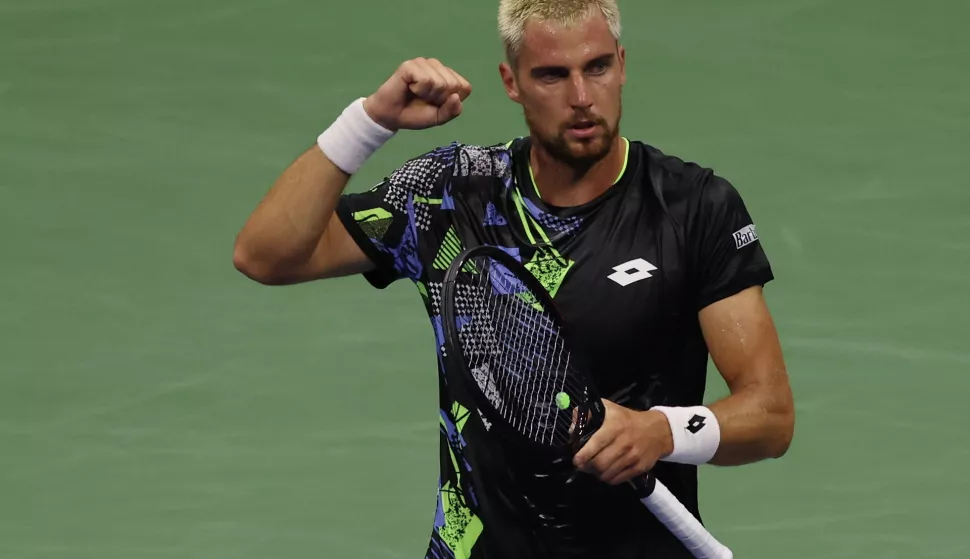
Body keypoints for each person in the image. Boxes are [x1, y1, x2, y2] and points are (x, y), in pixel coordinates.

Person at [233, 0, 795, 557]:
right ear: (512, 82)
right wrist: (369, 122)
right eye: (552, 75)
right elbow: (264, 255)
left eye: (597, 67)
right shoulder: (450, 194)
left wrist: (663, 431)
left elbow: (770, 415)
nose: (581, 96)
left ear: (622, 65)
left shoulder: (693, 208)